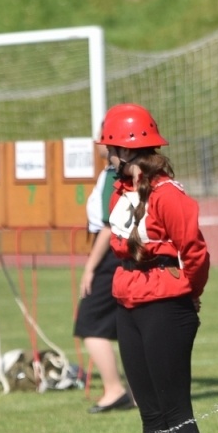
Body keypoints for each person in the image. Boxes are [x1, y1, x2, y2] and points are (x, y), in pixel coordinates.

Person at [101, 104, 212, 433]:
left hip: (166, 307)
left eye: (109, 151)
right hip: (128, 304)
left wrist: (190, 294)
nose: (106, 159)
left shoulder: (169, 195)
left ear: (126, 151)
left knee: (176, 408)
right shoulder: (122, 191)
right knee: (149, 410)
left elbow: (194, 252)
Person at [75, 143, 133, 414]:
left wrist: (90, 267)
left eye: (101, 137)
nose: (95, 142)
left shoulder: (115, 174)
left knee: (90, 324)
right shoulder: (114, 172)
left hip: (111, 253)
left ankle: (114, 389)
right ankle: (135, 392)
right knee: (126, 325)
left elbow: (110, 226)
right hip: (119, 252)